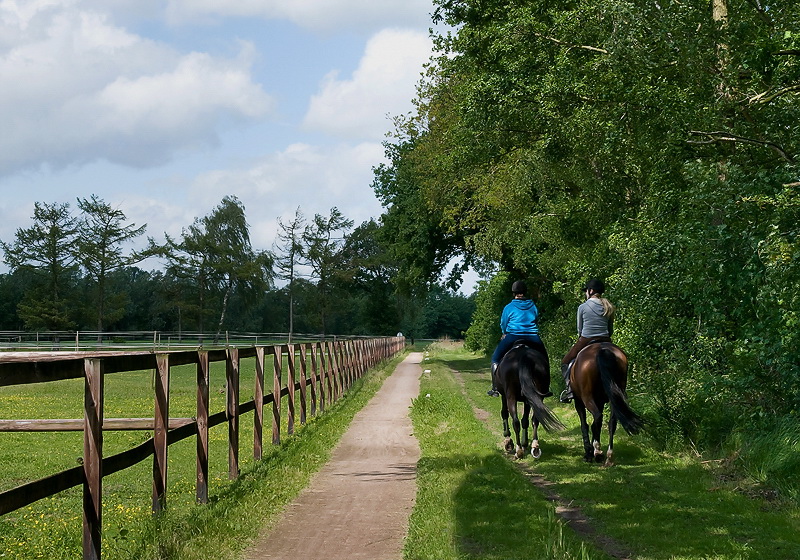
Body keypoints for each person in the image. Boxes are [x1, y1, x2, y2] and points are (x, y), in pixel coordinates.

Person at [487, 280, 549, 397]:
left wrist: (504, 332)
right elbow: (536, 319)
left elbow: (504, 323)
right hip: (532, 337)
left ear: (513, 293)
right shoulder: (532, 305)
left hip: (512, 336)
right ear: (525, 292)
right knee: (545, 359)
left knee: (495, 358)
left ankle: (495, 387)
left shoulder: (509, 307)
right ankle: (545, 386)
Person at [560, 278, 615, 403]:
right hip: (606, 339)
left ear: (590, 291)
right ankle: (621, 390)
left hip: (586, 339)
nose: (585, 293)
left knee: (565, 362)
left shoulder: (583, 307)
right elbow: (610, 329)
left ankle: (569, 390)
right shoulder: (609, 306)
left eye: (586, 291)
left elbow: (579, 330)